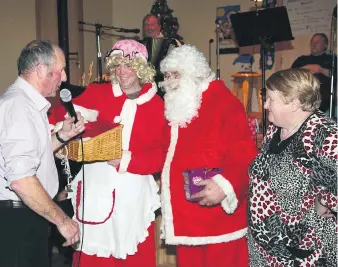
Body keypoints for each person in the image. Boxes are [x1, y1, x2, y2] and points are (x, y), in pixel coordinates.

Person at [49, 39, 169, 267]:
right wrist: (60, 130)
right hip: (95, 192)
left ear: (142, 68)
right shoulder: (98, 93)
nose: (122, 72)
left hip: (134, 197)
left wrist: (127, 160)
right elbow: (62, 113)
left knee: (132, 256)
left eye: (129, 65)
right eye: (118, 65)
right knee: (93, 257)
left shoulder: (156, 106)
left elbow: (162, 156)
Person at [159, 44, 257, 267]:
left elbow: (244, 155)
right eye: (166, 76)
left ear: (193, 72)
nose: (170, 82)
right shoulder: (178, 106)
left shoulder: (224, 103)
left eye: (176, 75)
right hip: (186, 215)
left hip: (217, 217)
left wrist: (225, 185)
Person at [0, 40, 85, 267]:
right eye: (61, 70)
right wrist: (62, 221)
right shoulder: (20, 107)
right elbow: (21, 180)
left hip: (28, 215)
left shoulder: (26, 103)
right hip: (19, 219)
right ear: (41, 71)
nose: (65, 78)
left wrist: (61, 136)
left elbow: (32, 156)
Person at [247, 68, 337, 266]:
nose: (266, 105)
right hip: (265, 250)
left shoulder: (324, 134)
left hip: (302, 255)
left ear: (295, 102)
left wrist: (325, 201)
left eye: (271, 99)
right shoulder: (276, 129)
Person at [292, 33, 337, 115]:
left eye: (317, 42)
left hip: (326, 102)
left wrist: (321, 70)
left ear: (325, 45)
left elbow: (335, 75)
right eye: (312, 42)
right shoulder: (302, 60)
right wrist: (306, 68)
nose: (313, 44)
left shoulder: (332, 59)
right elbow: (290, 75)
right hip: (304, 101)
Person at [141, 14, 183, 98]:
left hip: (165, 90)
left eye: (152, 24)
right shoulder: (139, 45)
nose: (149, 28)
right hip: (143, 88)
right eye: (146, 25)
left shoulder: (172, 43)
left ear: (159, 26)